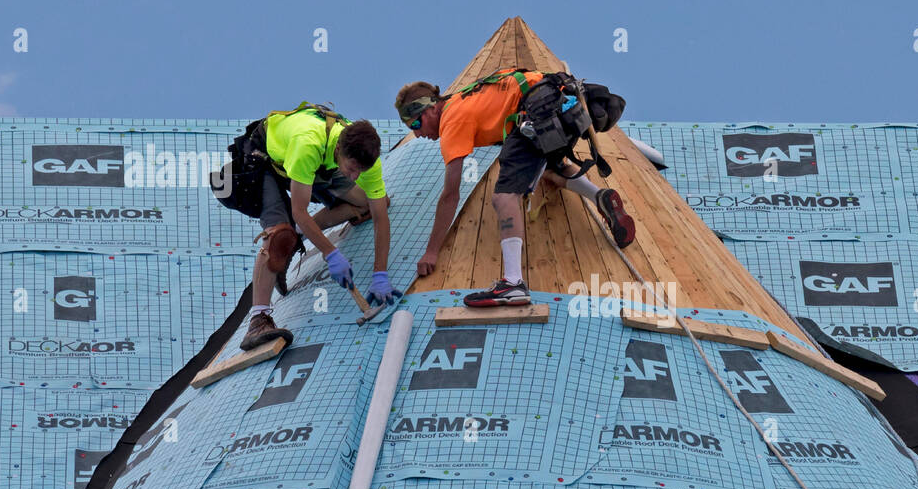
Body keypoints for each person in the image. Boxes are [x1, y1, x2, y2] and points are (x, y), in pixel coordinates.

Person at [398, 69, 634, 307]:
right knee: (546, 169)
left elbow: (450, 195)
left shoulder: (451, 119)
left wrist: (431, 252)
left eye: (416, 123)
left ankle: (513, 283)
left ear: (431, 108)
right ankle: (599, 195)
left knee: (503, 197)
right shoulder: (463, 98)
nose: (417, 134)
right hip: (557, 108)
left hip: (534, 115)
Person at [240, 106, 401, 350]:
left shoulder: (364, 160)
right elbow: (299, 211)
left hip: (313, 163)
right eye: (352, 169)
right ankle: (258, 319)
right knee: (278, 234)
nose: (356, 177)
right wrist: (332, 254)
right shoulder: (308, 144)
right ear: (339, 150)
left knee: (374, 202)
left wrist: (381, 274)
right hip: (265, 157)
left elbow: (380, 216)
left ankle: (299, 236)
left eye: (361, 171)